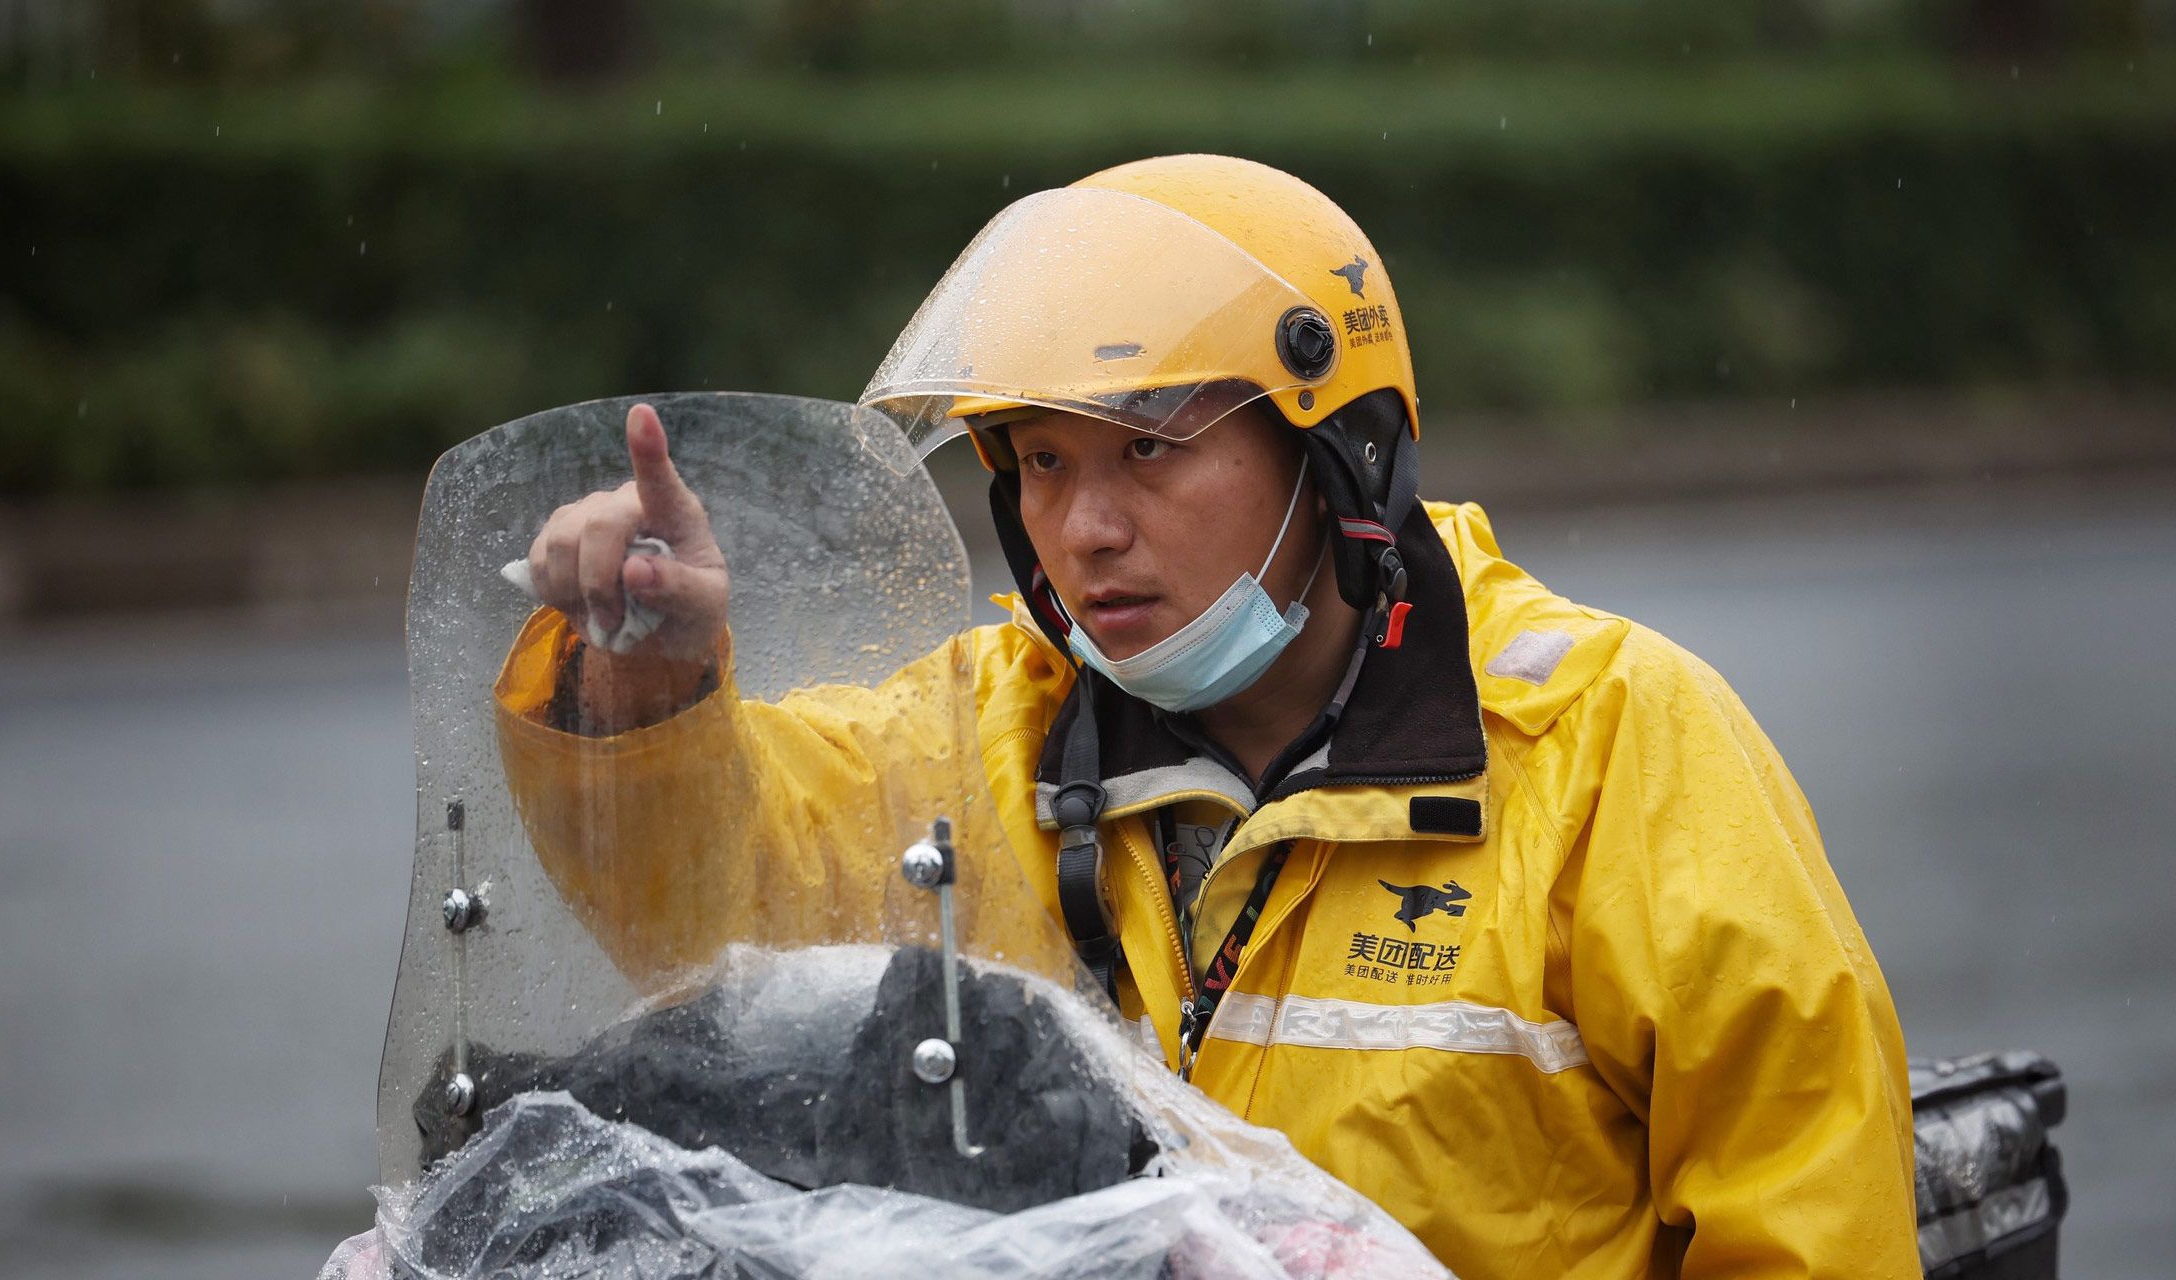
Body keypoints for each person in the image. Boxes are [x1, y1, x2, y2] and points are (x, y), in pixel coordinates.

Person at [501, 154, 1922, 1277]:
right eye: (1041, 461)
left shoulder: (1611, 744)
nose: (1086, 528)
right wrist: (645, 676)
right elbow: (711, 914)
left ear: (1338, 458)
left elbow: (1808, 1223)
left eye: (1149, 449)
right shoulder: (981, 725)